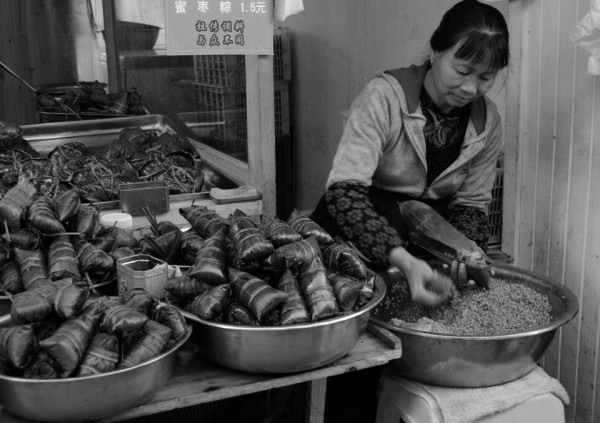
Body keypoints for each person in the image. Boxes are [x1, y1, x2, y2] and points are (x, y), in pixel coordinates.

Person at [311, 0, 509, 309]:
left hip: (425, 242)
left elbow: (471, 203)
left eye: (486, 77)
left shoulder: (488, 122)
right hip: (355, 237)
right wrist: (401, 260)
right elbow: (344, 192)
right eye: (462, 70)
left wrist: (464, 251)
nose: (471, 88)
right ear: (436, 51)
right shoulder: (385, 97)